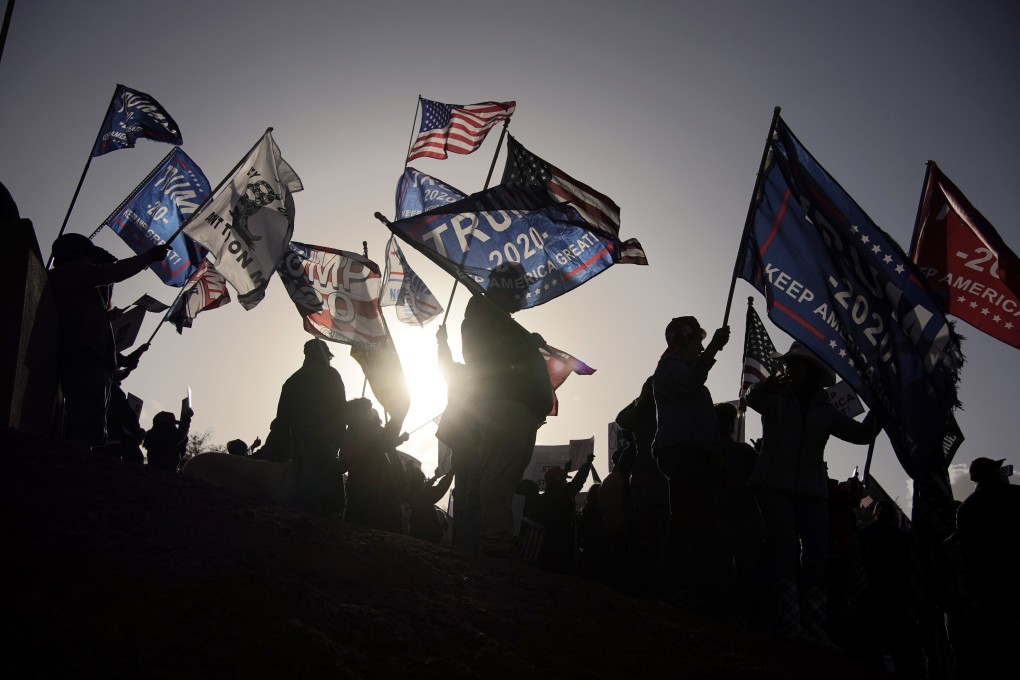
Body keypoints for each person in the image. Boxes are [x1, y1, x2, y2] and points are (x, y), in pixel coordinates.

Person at [745, 341, 875, 647]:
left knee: (816, 555)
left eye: (796, 363)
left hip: (812, 490)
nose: (790, 367)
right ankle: (790, 626)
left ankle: (815, 628)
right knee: (786, 548)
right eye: (789, 363)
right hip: (774, 485)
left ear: (812, 370)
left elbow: (861, 434)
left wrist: (880, 411)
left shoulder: (825, 409)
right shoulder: (774, 396)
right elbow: (752, 399)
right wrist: (766, 387)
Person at [461, 264, 553, 557]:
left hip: (520, 408)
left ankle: (497, 539)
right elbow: (492, 355)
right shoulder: (482, 313)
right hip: (505, 404)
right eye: (521, 287)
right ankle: (494, 542)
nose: (525, 293)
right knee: (498, 476)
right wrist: (527, 342)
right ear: (506, 286)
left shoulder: (498, 318)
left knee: (506, 477)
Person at [48, 233, 170, 446]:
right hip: (84, 361)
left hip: (90, 360)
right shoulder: (71, 273)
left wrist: (124, 359)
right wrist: (148, 257)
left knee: (91, 426)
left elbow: (90, 323)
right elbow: (114, 272)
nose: (92, 263)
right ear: (75, 254)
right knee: (86, 429)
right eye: (89, 257)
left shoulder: (77, 283)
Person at [651, 315, 729, 599]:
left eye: (702, 341)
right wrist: (714, 351)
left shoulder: (689, 375)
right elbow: (688, 383)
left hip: (695, 453)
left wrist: (715, 451)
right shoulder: (669, 368)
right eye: (696, 340)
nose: (700, 345)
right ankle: (677, 584)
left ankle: (694, 584)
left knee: (698, 517)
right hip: (680, 452)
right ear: (684, 341)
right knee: (687, 517)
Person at [955, 457, 1020, 676]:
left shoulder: (966, 509)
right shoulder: (1015, 496)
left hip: (988, 596)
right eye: (996, 469)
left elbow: (968, 559)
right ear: (991, 473)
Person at [274, 338, 348, 515]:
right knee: (328, 506)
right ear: (322, 355)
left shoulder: (292, 381)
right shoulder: (330, 375)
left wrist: (282, 453)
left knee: (299, 501)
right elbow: (340, 412)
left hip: (297, 450)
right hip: (324, 448)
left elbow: (281, 422)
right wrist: (340, 442)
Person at [405, 467, 454, 543]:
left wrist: (434, 478)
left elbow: (425, 488)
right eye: (423, 480)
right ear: (420, 482)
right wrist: (451, 473)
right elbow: (440, 488)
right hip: (429, 538)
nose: (425, 482)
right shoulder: (423, 498)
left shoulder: (406, 496)